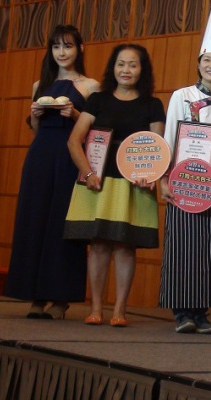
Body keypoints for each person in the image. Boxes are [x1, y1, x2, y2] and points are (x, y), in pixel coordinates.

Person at [64, 44, 165, 327]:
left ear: (142, 70)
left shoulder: (153, 105)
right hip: (99, 179)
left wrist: (151, 175)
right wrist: (87, 172)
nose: (126, 70)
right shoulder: (97, 100)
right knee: (98, 245)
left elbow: (158, 148)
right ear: (113, 68)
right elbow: (74, 141)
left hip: (134, 183)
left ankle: (120, 309)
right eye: (121, 64)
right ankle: (96, 307)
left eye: (133, 64)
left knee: (125, 246)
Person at [5, 25, 99, 320]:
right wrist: (34, 116)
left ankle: (61, 298)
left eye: (67, 46)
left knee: (63, 224)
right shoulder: (40, 85)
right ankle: (35, 294)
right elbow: (36, 131)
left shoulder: (91, 86)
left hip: (70, 158)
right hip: (40, 157)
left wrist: (75, 115)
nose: (61, 52)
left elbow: (96, 133)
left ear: (80, 49)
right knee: (34, 220)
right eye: (56, 46)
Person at [159, 4, 211, 334]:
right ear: (198, 62)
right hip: (183, 175)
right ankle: (182, 312)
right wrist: (164, 178)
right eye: (207, 59)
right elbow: (168, 138)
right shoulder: (181, 96)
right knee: (182, 242)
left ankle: (202, 311)